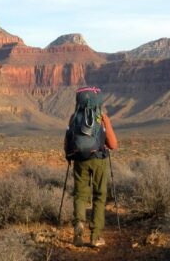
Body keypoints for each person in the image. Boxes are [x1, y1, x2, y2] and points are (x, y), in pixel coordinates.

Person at [64, 87, 118, 248]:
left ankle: (78, 228)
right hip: (98, 160)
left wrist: (69, 157)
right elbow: (113, 145)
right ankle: (95, 236)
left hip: (80, 160)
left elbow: (68, 141)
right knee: (99, 196)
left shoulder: (74, 118)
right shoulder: (102, 117)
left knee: (80, 195)